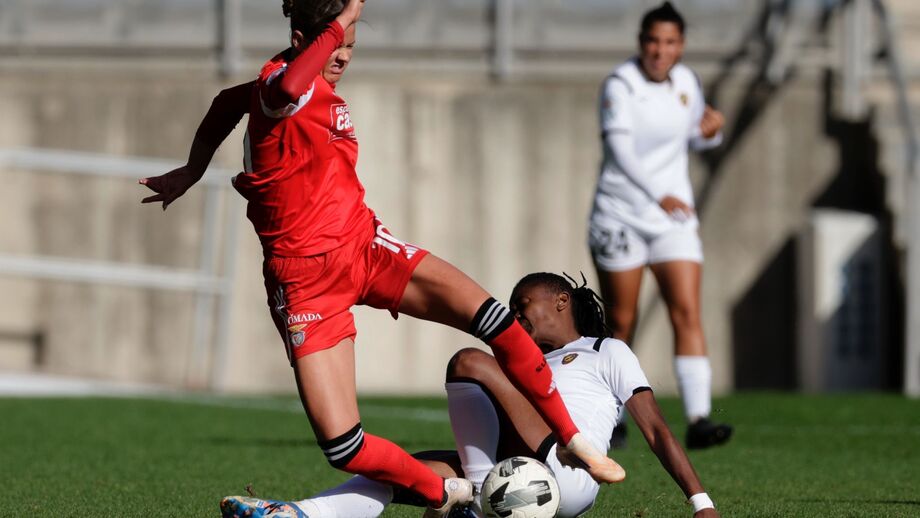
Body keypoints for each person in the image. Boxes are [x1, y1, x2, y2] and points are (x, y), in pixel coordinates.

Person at [139, 1, 623, 516]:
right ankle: (443, 493)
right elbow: (271, 92)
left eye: (351, 45)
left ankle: (572, 440)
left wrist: (192, 168)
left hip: (365, 247)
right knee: (342, 446)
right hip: (304, 283)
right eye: (335, 43)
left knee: (496, 321)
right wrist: (344, 15)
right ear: (304, 39)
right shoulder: (282, 85)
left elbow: (223, 103)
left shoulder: (302, 84)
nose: (343, 56)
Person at [219, 272, 720, 518]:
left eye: (524, 306)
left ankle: (476, 502)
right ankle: (298, 515)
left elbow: (654, 428)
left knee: (469, 360)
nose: (516, 317)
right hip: (514, 466)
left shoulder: (605, 351)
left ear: (562, 301)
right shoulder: (521, 362)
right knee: (397, 471)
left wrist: (701, 503)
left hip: (569, 475)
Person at [587, 1, 732, 449]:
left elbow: (691, 136)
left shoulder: (687, 83)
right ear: (641, 43)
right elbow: (622, 151)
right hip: (622, 214)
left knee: (686, 309)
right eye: (653, 40)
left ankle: (699, 418)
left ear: (681, 46)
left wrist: (712, 132)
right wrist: (658, 194)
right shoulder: (621, 85)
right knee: (622, 322)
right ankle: (609, 417)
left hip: (672, 219)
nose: (660, 50)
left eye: (670, 42)